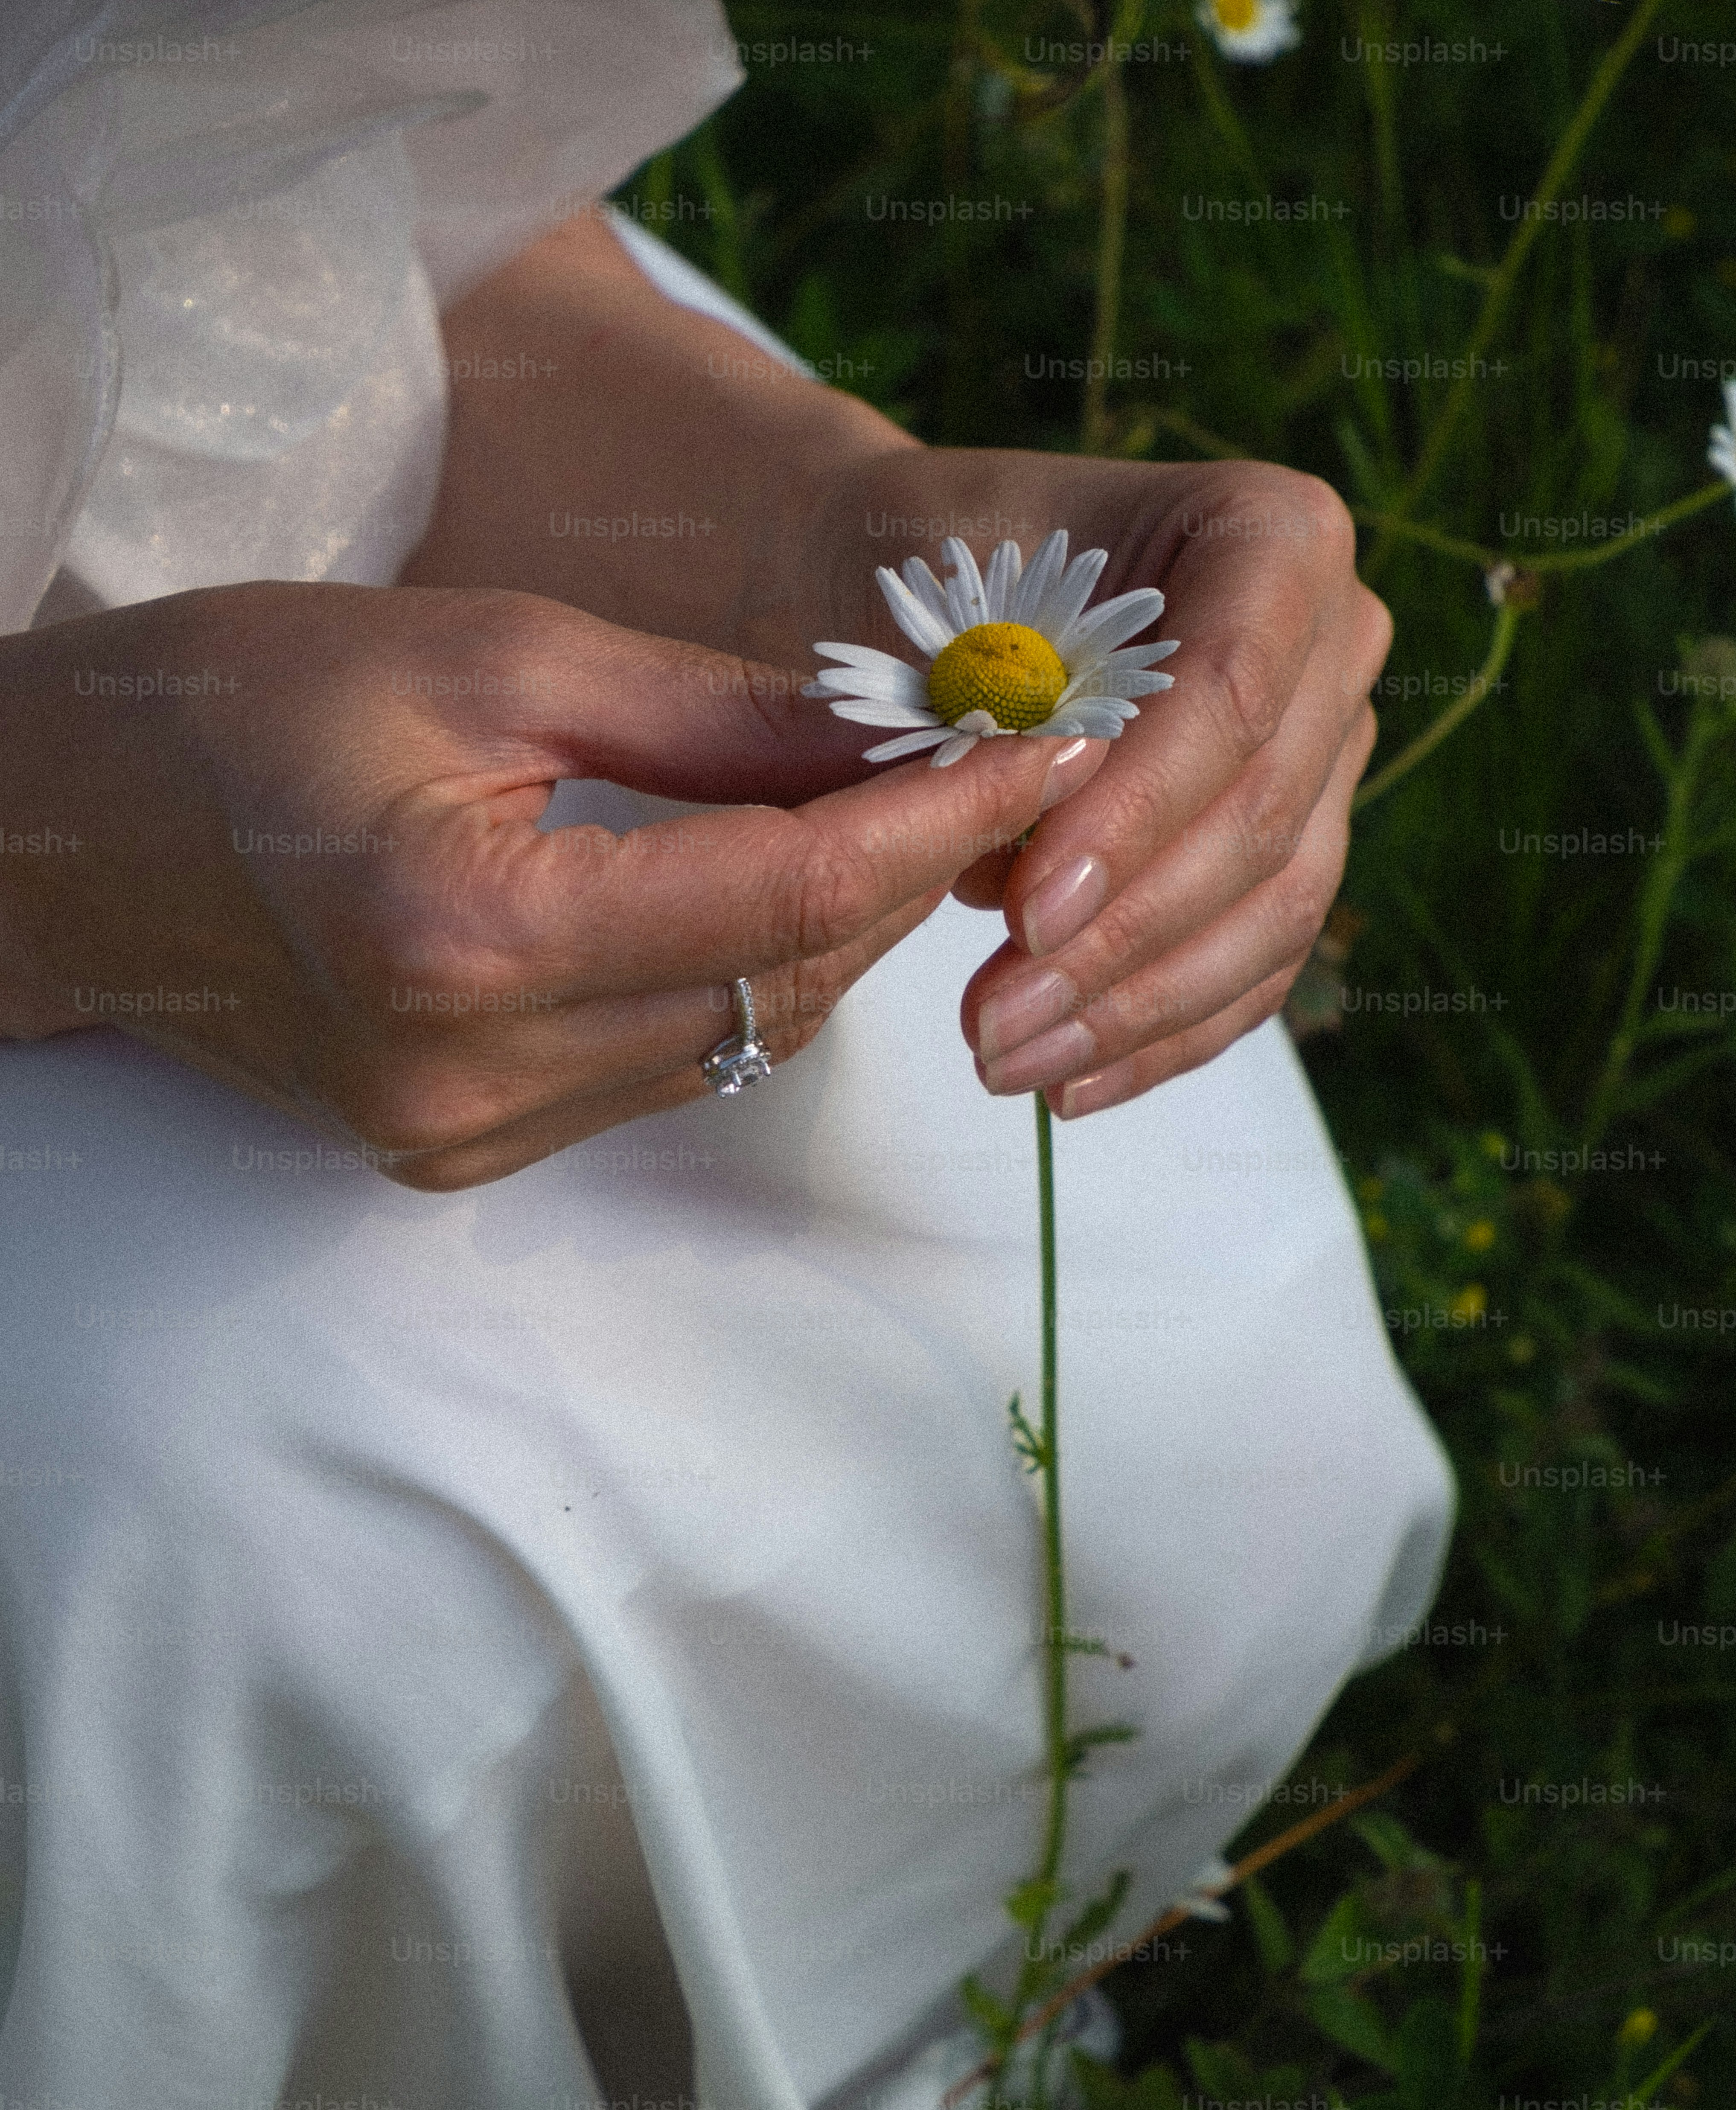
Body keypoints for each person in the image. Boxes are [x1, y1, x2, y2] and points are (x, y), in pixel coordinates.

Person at [0, 3, 1453, 2103]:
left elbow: (252, 158)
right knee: (279, 1563)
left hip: (245, 457)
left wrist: (826, 519)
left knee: (1170, 1369)